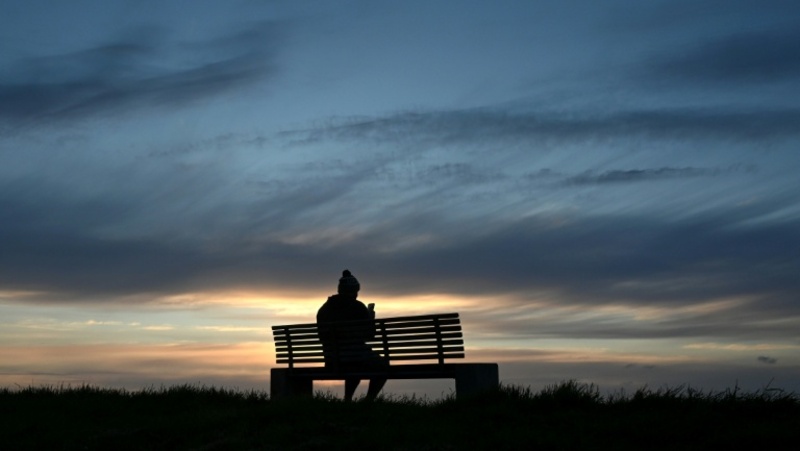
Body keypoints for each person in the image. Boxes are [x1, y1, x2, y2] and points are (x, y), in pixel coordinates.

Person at [317, 269, 387, 401]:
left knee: (354, 361)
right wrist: (371, 319)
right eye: (356, 291)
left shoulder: (324, 309)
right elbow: (370, 335)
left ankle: (348, 399)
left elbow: (322, 336)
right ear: (354, 291)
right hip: (356, 359)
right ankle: (368, 400)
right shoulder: (358, 307)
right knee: (382, 365)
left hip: (332, 360)